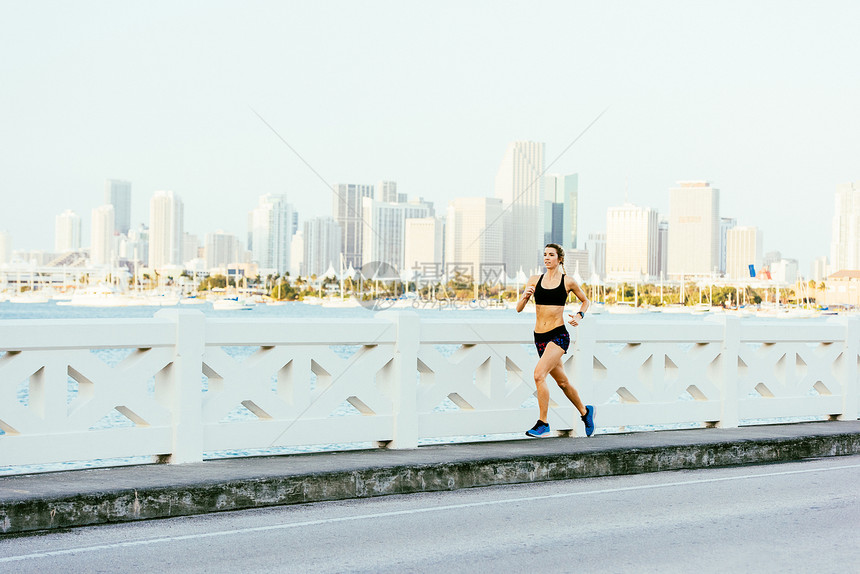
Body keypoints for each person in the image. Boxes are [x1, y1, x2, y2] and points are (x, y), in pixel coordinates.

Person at [516, 243, 595, 438]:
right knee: (563, 382)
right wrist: (525, 298)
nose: (547, 258)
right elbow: (518, 308)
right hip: (539, 337)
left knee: (538, 374)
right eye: (544, 254)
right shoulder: (535, 280)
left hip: (558, 335)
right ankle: (586, 412)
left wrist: (579, 316)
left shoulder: (568, 281)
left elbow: (585, 301)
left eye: (551, 255)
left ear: (559, 259)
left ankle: (543, 423)